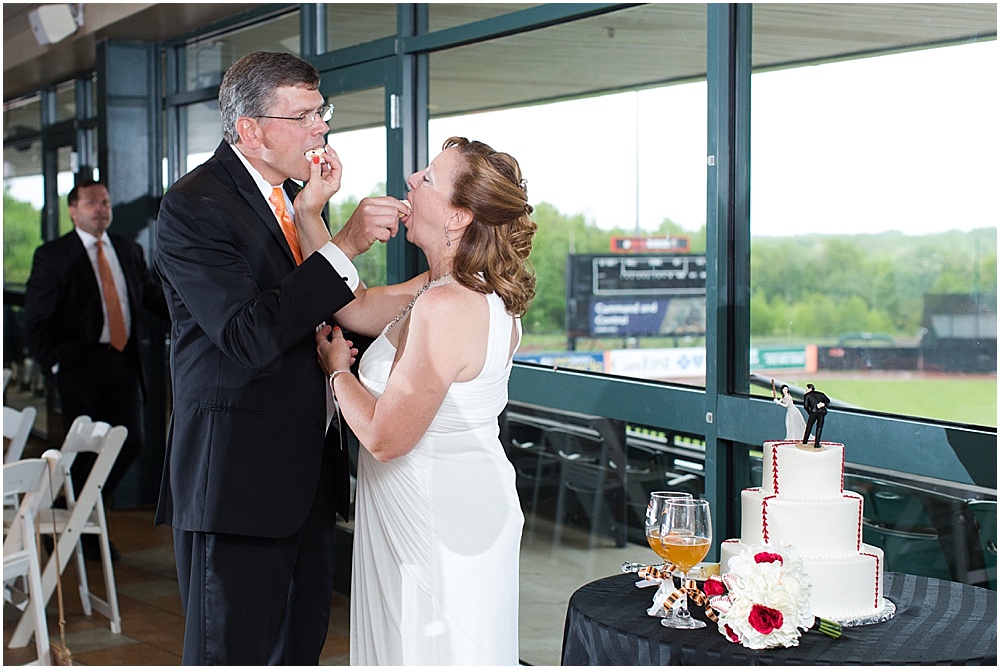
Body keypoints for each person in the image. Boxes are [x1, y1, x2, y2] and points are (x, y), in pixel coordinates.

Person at [153, 51, 404, 665]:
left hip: (308, 475)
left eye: (321, 112)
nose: (321, 128)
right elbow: (247, 335)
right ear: (250, 130)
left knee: (300, 649)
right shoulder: (194, 205)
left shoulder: (297, 198)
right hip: (238, 481)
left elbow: (323, 311)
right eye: (302, 117)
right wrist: (344, 244)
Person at [312, 137, 537, 665]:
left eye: (429, 178)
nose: (412, 179)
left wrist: (338, 372)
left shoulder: (446, 304)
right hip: (448, 504)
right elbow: (354, 307)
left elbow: (385, 438)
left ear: (458, 216)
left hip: (436, 518)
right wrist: (311, 213)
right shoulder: (454, 288)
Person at [24, 179, 169, 559]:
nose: (101, 209)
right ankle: (80, 528)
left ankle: (72, 510)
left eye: (105, 202)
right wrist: (56, 364)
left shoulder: (128, 250)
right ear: (73, 210)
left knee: (129, 442)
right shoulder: (53, 255)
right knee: (84, 451)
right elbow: (36, 319)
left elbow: (153, 298)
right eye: (91, 203)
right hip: (79, 367)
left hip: (122, 362)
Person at [802, 382, 831, 448]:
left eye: (807, 389)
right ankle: (817, 443)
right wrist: (823, 404)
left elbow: (806, 406)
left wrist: (809, 412)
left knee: (809, 426)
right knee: (819, 427)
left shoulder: (807, 395)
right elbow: (828, 401)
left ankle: (805, 441)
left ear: (809, 389)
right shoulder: (820, 394)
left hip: (813, 412)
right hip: (822, 412)